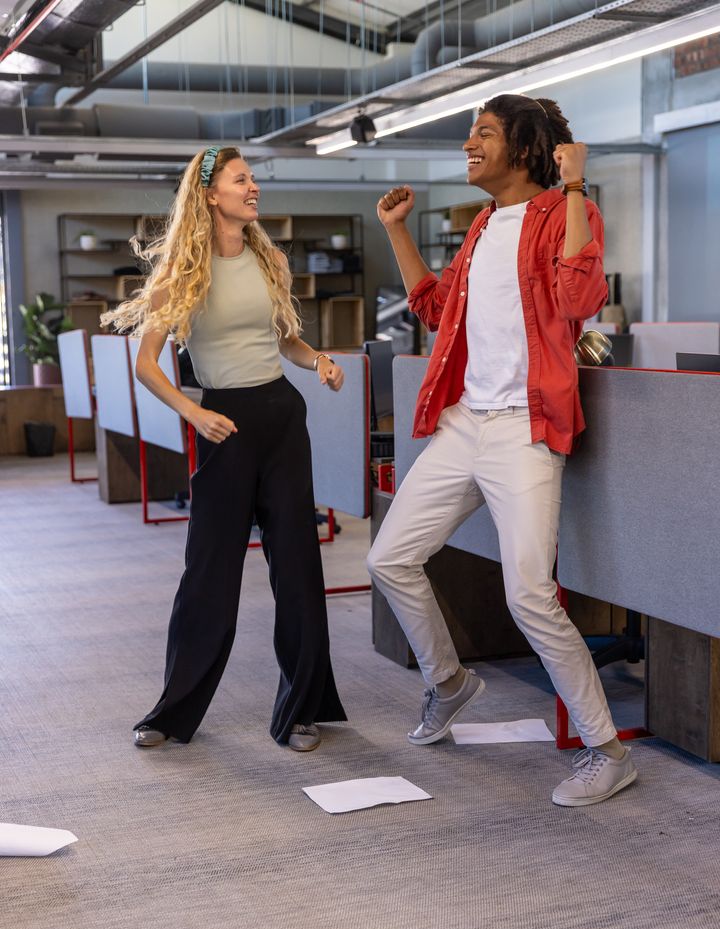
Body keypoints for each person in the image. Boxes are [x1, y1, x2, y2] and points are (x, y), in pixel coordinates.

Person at [367, 95, 637, 806]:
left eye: (483, 131)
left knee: (529, 595)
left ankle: (607, 752)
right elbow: (433, 306)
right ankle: (450, 683)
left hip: (524, 428)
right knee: (389, 558)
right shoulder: (483, 225)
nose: (469, 143)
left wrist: (576, 184)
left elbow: (582, 297)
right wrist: (395, 231)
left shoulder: (557, 212)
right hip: (464, 423)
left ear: (523, 149)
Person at [105, 146, 348, 752]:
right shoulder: (184, 273)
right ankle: (171, 711)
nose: (254, 187)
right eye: (243, 180)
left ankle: (302, 711)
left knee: (297, 566)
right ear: (212, 193)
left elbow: (285, 341)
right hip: (224, 422)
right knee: (210, 570)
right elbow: (146, 364)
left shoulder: (269, 261)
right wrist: (194, 413)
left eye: (254, 179)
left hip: (282, 418)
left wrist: (317, 360)